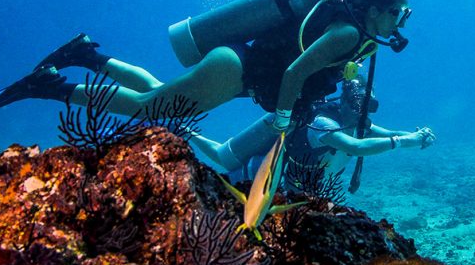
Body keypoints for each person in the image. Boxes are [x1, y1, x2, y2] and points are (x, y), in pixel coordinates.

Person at [0, 0, 413, 137]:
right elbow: (293, 70)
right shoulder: (347, 32)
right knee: (149, 111)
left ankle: (88, 56)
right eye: (396, 11)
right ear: (373, 7)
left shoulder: (350, 25)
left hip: (233, 64)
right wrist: (284, 120)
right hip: (235, 71)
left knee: (159, 96)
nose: (399, 21)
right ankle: (50, 87)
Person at [187, 77, 436, 186]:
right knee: (219, 165)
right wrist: (404, 141)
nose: (364, 115)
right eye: (357, 107)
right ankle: (189, 133)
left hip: (298, 186)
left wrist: (418, 136)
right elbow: (355, 147)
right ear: (343, 103)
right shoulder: (324, 123)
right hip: (263, 174)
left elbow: (388, 132)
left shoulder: (360, 122)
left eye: (369, 108)